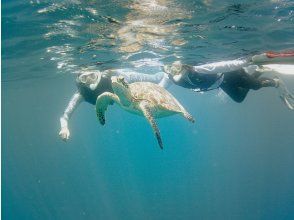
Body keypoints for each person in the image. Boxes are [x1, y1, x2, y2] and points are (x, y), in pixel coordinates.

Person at [59, 69, 165, 141]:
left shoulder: (110, 77)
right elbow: (65, 115)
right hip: (110, 98)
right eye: (84, 78)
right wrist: (64, 128)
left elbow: (126, 86)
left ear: (98, 74)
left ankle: (165, 72)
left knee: (155, 79)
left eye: (92, 76)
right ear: (80, 81)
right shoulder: (81, 94)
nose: (89, 81)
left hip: (126, 81)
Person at [163, 51, 294, 109]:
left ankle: (276, 82)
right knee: (239, 98)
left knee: (255, 86)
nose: (173, 71)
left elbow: (225, 66)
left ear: (183, 65)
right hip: (221, 82)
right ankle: (259, 71)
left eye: (175, 67)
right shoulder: (172, 79)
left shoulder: (198, 68)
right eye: (168, 68)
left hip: (230, 74)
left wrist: (247, 61)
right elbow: (160, 87)